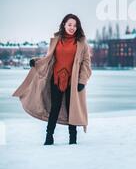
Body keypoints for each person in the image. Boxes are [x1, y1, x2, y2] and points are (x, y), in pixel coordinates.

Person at [12, 14, 92, 146]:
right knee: (54, 107)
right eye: (70, 25)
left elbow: (86, 63)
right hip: (56, 78)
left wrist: (82, 81)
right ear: (64, 25)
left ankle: (73, 139)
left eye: (75, 25)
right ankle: (49, 136)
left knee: (71, 108)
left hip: (73, 82)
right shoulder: (56, 40)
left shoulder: (82, 42)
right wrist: (36, 62)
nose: (72, 27)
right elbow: (48, 58)